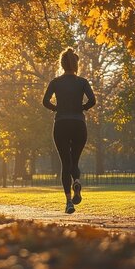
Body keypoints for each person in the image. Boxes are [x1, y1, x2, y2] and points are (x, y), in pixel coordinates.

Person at [42, 48, 96, 214]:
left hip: (62, 124)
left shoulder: (56, 82)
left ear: (62, 64)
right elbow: (92, 100)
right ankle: (77, 181)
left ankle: (68, 203)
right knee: (75, 161)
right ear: (76, 64)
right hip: (79, 124)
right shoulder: (82, 82)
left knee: (66, 163)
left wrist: (57, 108)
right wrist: (81, 108)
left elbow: (45, 101)